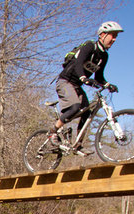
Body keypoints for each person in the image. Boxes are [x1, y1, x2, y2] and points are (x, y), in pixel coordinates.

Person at [49, 21, 123, 154]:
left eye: (116, 36)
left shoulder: (104, 56)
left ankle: (77, 144)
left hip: (77, 85)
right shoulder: (90, 46)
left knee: (86, 112)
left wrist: (107, 85)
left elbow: (98, 77)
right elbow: (78, 63)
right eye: (113, 35)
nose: (114, 39)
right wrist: (83, 77)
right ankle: (52, 132)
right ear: (102, 35)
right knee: (75, 107)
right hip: (65, 81)